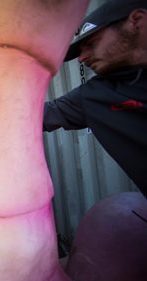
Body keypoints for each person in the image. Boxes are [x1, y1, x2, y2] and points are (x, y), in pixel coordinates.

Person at [43, 0, 147, 196]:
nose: (82, 57)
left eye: (91, 44)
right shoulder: (95, 96)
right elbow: (38, 116)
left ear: (137, 21)